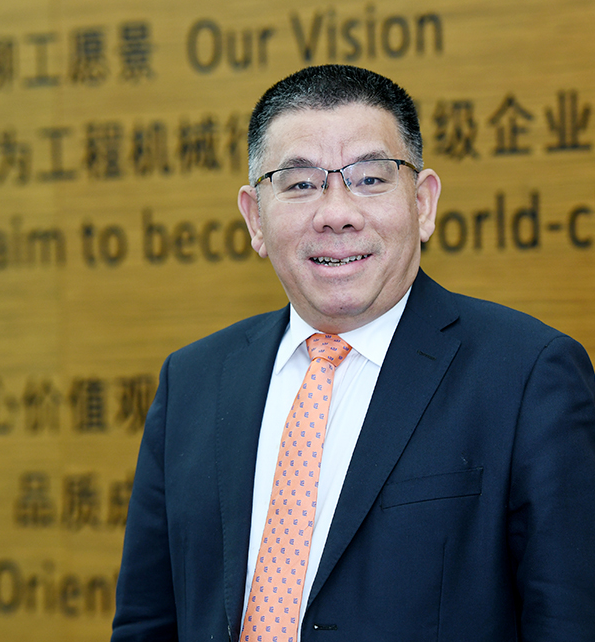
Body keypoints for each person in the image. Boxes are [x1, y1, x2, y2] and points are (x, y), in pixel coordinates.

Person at [111, 65, 595, 642]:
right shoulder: (193, 381)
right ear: (255, 218)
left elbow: (568, 620)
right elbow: (147, 623)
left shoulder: (528, 376)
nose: (336, 213)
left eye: (369, 178)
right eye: (299, 184)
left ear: (423, 204)